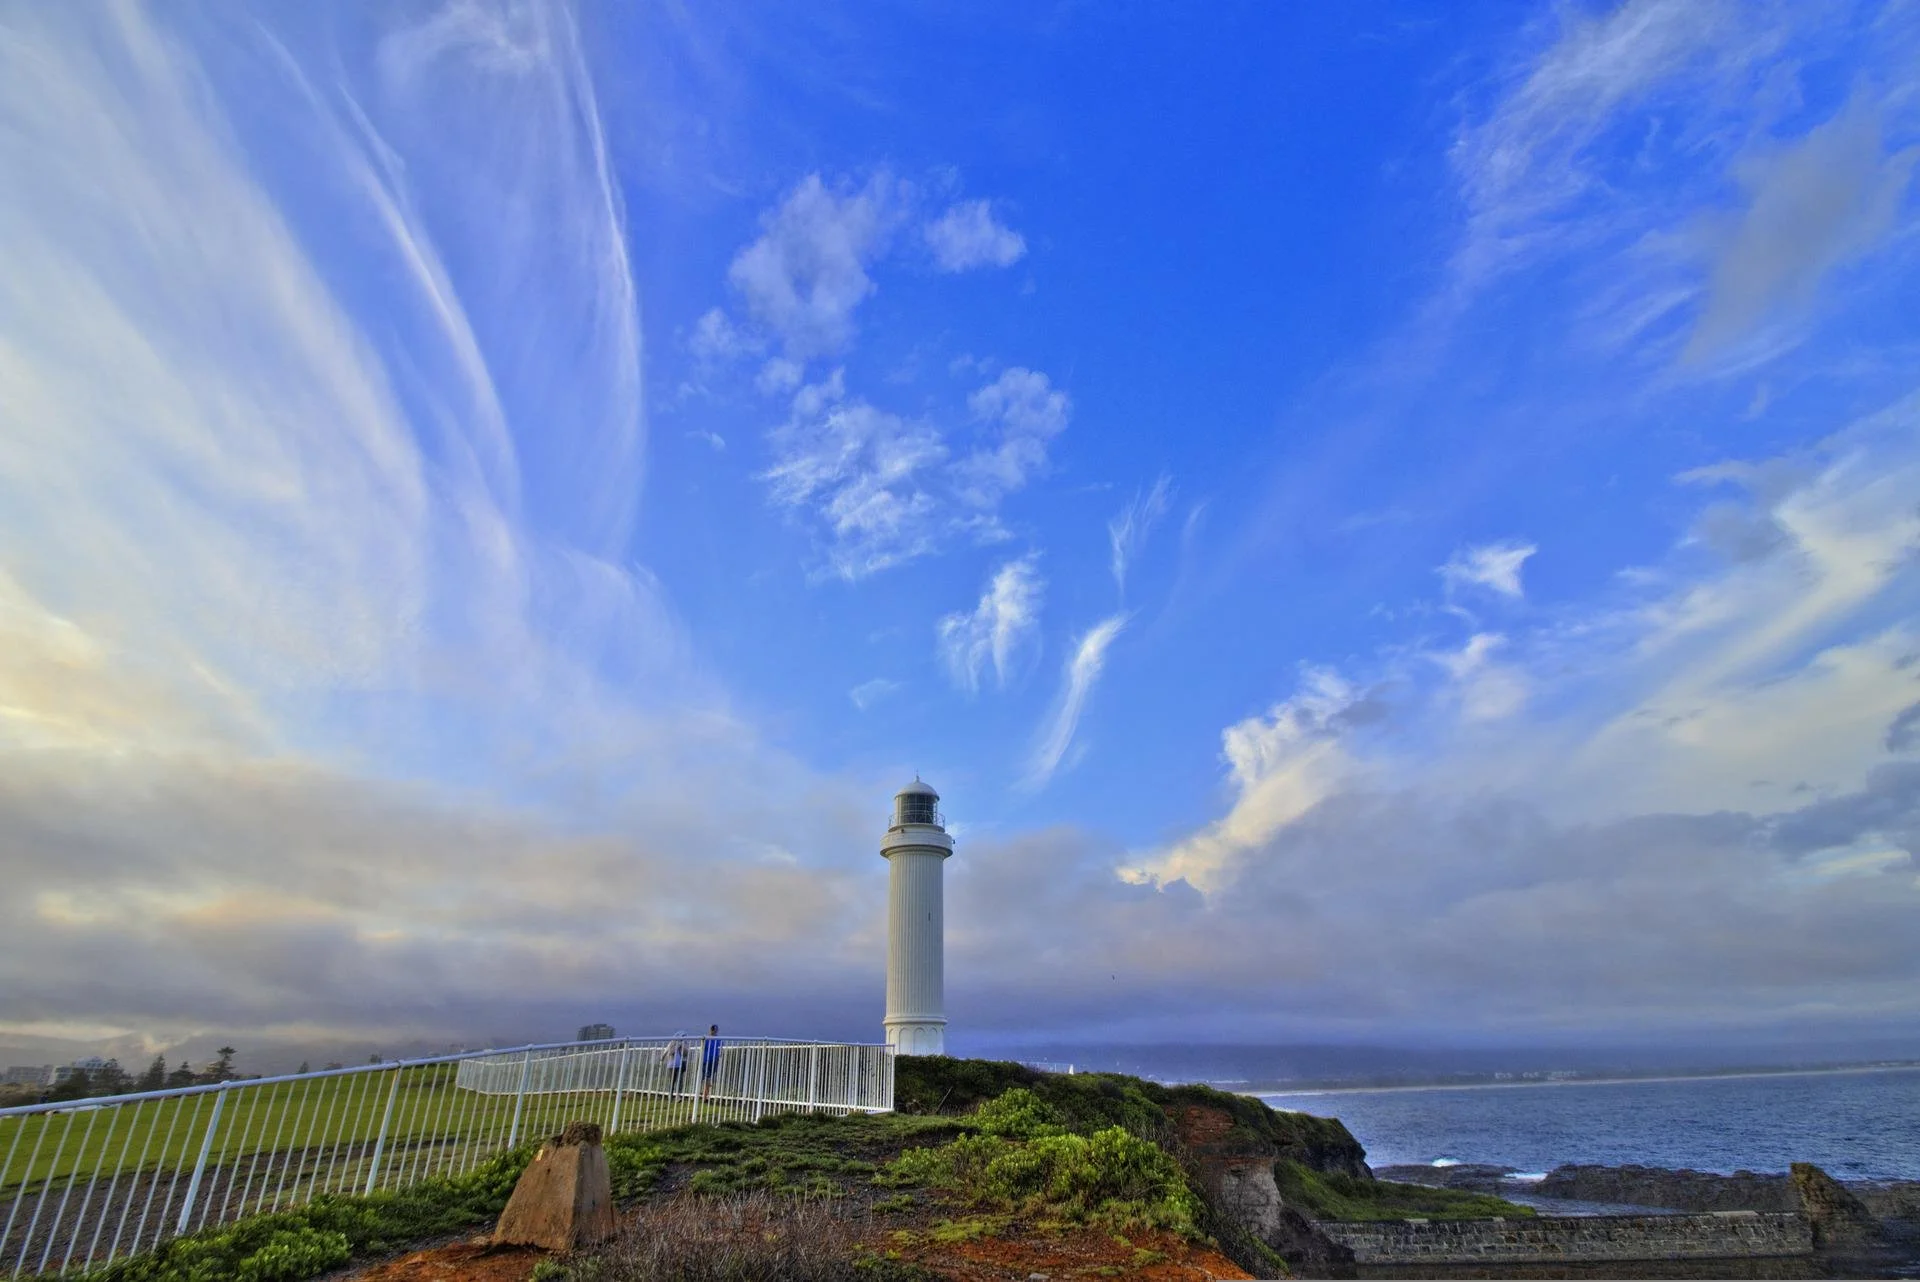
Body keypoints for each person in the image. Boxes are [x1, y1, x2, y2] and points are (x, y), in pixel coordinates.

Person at [700, 1024, 722, 1099]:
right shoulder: (718, 1039)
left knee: (707, 1076)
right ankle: (705, 1094)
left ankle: (705, 1095)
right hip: (710, 1060)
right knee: (707, 1077)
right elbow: (721, 1048)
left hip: (708, 1060)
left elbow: (702, 1048)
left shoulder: (707, 1038)